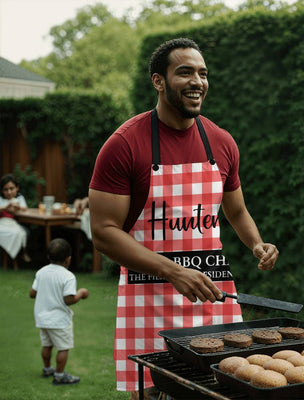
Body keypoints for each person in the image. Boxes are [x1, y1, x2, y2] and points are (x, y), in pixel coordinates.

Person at [89, 38, 279, 398]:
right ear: (158, 81)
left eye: (203, 73)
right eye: (185, 72)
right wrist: (173, 271)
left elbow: (235, 209)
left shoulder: (221, 142)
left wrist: (257, 243)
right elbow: (103, 232)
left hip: (213, 297)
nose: (198, 81)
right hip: (151, 301)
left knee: (224, 389)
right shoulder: (125, 144)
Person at [29, 238, 89, 385]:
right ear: (68, 259)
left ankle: (47, 369)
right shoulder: (68, 276)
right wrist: (81, 293)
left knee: (47, 345)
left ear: (48, 257)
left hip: (42, 318)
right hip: (59, 320)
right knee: (63, 348)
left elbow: (32, 293)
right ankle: (60, 375)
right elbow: (69, 299)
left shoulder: (41, 272)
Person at [0, 173, 31, 269]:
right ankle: (20, 253)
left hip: (13, 224)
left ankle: (22, 252)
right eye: (6, 189)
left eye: (11, 188)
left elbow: (25, 209)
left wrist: (18, 208)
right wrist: (6, 207)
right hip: (2, 223)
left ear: (17, 188)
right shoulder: (1, 200)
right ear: (2, 190)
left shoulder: (19, 199)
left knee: (20, 233)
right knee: (13, 233)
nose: (9, 192)